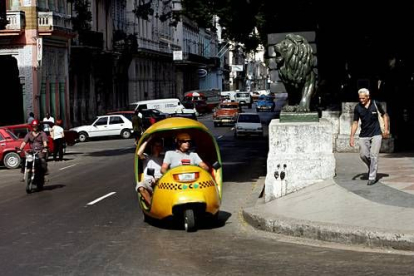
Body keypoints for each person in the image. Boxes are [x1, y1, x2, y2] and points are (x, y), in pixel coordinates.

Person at [350, 88, 390, 185]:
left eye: (363, 98)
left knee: (373, 155)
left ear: (368, 97)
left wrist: (386, 129)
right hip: (364, 134)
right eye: (360, 98)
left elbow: (385, 115)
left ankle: (372, 177)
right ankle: (371, 166)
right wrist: (351, 136)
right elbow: (355, 122)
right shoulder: (357, 108)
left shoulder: (376, 104)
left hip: (376, 133)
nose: (361, 100)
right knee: (363, 155)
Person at [136, 136, 164, 205]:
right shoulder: (147, 156)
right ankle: (152, 205)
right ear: (152, 147)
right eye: (156, 146)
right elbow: (139, 153)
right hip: (148, 182)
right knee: (140, 187)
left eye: (159, 146)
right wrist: (148, 140)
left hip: (162, 181)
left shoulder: (164, 158)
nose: (157, 147)